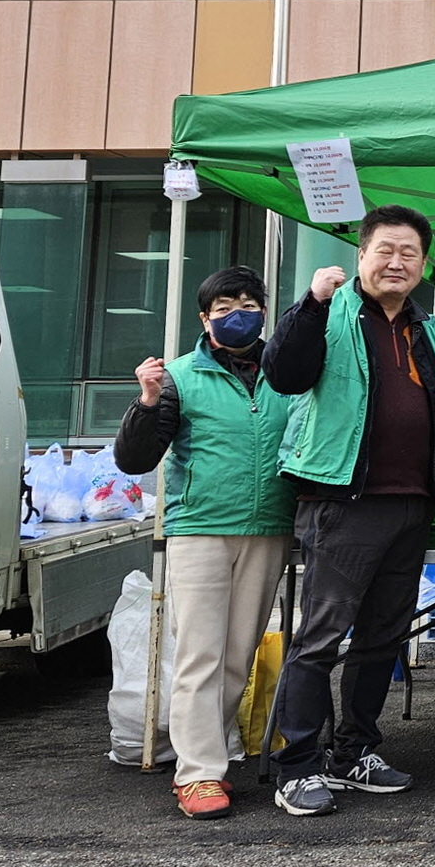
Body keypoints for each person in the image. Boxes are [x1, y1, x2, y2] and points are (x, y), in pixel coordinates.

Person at [262, 204, 435, 817]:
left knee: (383, 638)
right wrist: (311, 303)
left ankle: (354, 752)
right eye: (385, 250)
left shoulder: (429, 329)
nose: (397, 262)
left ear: (423, 265)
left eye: (409, 253)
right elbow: (285, 373)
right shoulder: (332, 310)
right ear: (362, 255)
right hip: (343, 502)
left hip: (411, 503)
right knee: (320, 638)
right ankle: (295, 766)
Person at [113, 266, 294, 820]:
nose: (238, 311)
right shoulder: (179, 376)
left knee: (238, 654)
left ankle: (212, 750)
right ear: (205, 317)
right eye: (224, 305)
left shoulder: (287, 373)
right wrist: (146, 401)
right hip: (201, 528)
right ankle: (197, 773)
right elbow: (135, 459)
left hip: (269, 528)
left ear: (265, 310)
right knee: (200, 654)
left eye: (248, 301)